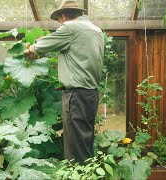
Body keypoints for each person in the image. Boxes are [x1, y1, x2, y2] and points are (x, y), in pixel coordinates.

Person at [24, 0, 104, 163]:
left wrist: (31, 49)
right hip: (91, 94)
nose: (59, 24)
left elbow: (42, 45)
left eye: (59, 20)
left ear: (64, 16)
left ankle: (77, 175)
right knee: (85, 142)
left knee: (75, 148)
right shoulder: (96, 31)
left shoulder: (70, 27)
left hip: (76, 95)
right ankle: (90, 174)